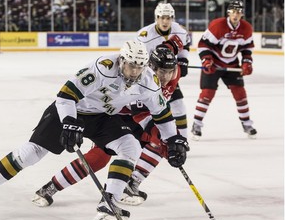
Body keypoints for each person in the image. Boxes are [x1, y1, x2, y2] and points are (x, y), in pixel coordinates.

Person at [0, 40, 188, 220]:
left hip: (102, 116)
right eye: (131, 66)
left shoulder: (149, 81)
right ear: (122, 60)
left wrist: (173, 140)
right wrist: (69, 121)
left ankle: (108, 202)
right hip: (73, 109)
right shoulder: (103, 67)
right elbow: (66, 95)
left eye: (140, 67)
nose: (135, 72)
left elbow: (162, 113)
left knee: (130, 146)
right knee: (33, 153)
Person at [32, 46, 187, 209]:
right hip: (115, 119)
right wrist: (161, 136)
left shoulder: (172, 77)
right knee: (98, 159)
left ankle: (131, 184)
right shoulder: (140, 78)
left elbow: (166, 108)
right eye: (161, 71)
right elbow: (140, 114)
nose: (166, 76)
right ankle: (51, 187)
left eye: (170, 71)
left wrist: (173, 139)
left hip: (140, 119)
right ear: (150, 67)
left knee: (164, 143)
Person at [191, 0, 257, 140]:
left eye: (238, 12)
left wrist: (247, 62)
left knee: (240, 94)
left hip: (232, 64)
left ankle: (246, 124)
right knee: (207, 93)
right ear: (228, 12)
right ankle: (196, 124)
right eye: (233, 11)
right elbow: (203, 45)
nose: (235, 14)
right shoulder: (218, 25)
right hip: (214, 64)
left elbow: (247, 49)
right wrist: (207, 60)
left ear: (242, 14)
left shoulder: (246, 28)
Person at [137, 3, 191, 140]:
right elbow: (138, 60)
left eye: (168, 18)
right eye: (162, 18)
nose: (165, 21)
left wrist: (183, 60)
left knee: (178, 106)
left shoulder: (179, 30)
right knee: (146, 110)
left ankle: (183, 140)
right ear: (156, 17)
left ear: (172, 18)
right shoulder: (145, 35)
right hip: (148, 79)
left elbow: (185, 44)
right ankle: (146, 138)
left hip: (167, 77)